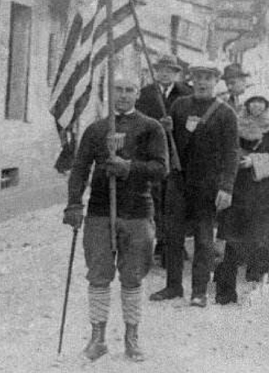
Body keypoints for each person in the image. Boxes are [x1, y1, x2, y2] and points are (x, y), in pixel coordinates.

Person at [63, 76, 166, 361]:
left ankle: (132, 338)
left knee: (132, 277)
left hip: (136, 211)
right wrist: (73, 205)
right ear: (109, 93)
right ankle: (97, 338)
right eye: (117, 89)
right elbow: (80, 168)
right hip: (100, 211)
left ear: (137, 93)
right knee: (98, 276)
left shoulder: (151, 128)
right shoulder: (96, 129)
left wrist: (129, 167)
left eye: (129, 89)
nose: (123, 95)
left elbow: (161, 169)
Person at [149, 61, 238, 308]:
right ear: (191, 79)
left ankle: (199, 290)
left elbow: (232, 153)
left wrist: (226, 187)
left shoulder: (225, 113)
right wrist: (165, 129)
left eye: (208, 78)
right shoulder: (180, 106)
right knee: (172, 235)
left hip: (207, 185)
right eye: (198, 77)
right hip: (179, 180)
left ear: (215, 81)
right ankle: (173, 286)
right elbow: (170, 142)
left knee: (203, 239)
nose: (202, 82)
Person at [215, 86, 269, 304]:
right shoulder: (236, 125)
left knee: (261, 234)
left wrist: (254, 161)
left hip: (263, 190)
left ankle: (258, 275)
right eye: (252, 102)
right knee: (234, 234)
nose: (256, 106)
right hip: (239, 187)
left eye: (260, 102)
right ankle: (226, 286)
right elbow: (226, 149)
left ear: (267, 105)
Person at [135, 54, 192, 265]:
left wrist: (175, 126)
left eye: (170, 70)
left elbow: (193, 124)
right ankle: (160, 240)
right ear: (155, 71)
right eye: (161, 69)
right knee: (155, 198)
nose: (165, 73)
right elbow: (138, 122)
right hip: (154, 154)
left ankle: (174, 244)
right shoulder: (145, 94)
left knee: (176, 199)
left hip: (179, 155)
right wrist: (155, 127)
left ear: (177, 74)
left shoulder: (186, 94)